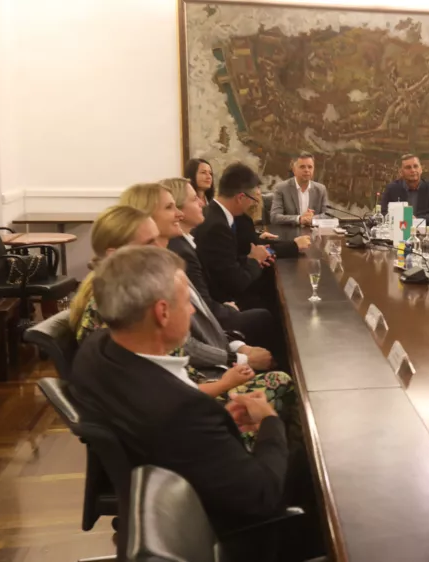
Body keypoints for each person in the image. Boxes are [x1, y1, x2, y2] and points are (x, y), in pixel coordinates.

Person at [69, 245, 322, 562]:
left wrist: (216, 427)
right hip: (239, 533)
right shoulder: (182, 411)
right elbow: (262, 496)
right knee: (322, 461)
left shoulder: (96, 351)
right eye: (186, 302)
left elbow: (184, 438)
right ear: (162, 312)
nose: (191, 311)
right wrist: (270, 422)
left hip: (182, 481)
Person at [68, 205, 294, 419]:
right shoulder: (117, 308)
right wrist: (225, 380)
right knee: (281, 382)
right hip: (185, 412)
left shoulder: (130, 291)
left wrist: (234, 357)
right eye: (150, 243)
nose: (161, 248)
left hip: (193, 388)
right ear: (115, 254)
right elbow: (157, 395)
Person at [161, 178, 284, 358]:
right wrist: (237, 353)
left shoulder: (185, 242)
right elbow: (202, 311)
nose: (202, 203)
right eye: (194, 199)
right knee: (264, 315)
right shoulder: (181, 250)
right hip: (212, 325)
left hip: (217, 306)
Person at [194, 163, 276, 308]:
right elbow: (236, 283)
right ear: (240, 198)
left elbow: (229, 262)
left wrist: (251, 258)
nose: (252, 204)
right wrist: (255, 259)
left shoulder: (214, 214)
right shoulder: (217, 227)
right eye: (252, 200)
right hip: (224, 302)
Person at [379, 154, 429, 233]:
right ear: (401, 172)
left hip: (425, 235)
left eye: (415, 166)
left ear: (421, 169)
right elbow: (383, 213)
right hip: (398, 234)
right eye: (408, 167)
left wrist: (416, 220)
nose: (413, 170)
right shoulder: (392, 189)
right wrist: (403, 218)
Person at [270, 152, 329, 226]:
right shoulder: (281, 188)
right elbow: (275, 217)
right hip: (290, 232)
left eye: (310, 167)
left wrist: (312, 218)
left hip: (313, 232)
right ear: (294, 170)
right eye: (302, 167)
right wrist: (299, 219)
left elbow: (328, 215)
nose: (307, 170)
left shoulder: (321, 189)